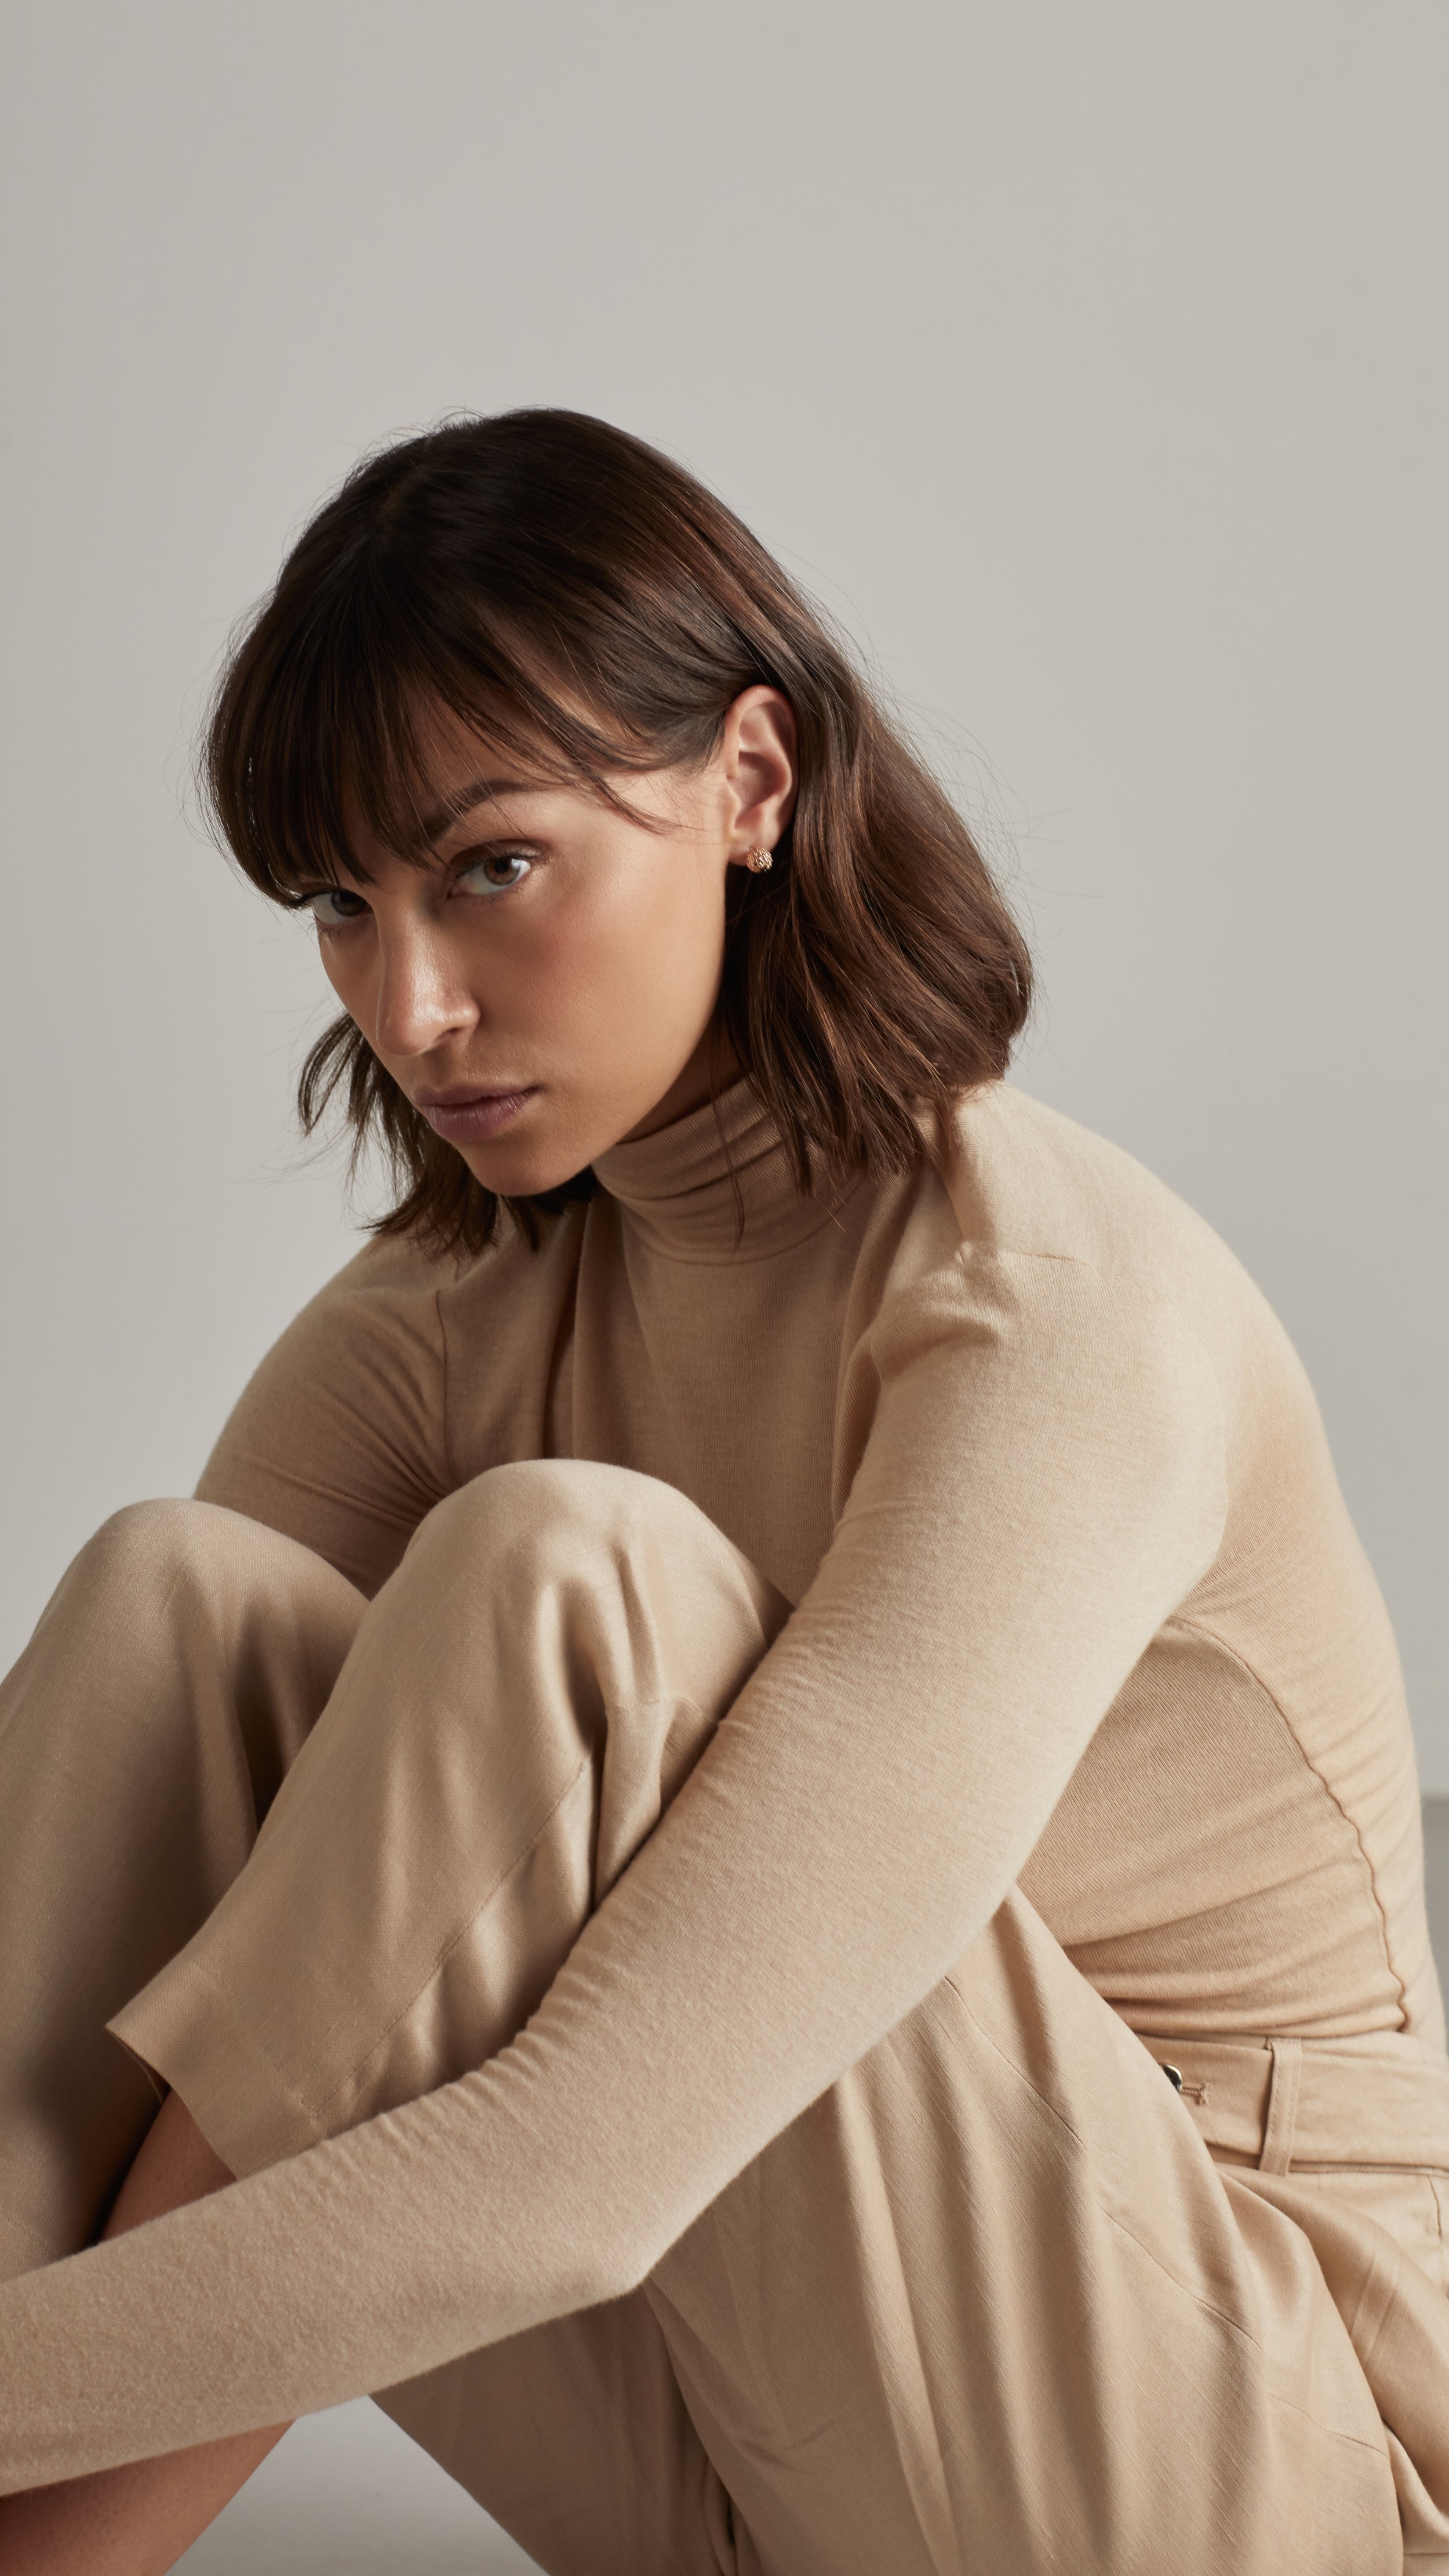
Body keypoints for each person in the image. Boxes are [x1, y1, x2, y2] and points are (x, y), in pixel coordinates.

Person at [0, 409, 1445, 2576]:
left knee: (561, 1577)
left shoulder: (1046, 1300)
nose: (407, 1003)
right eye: (336, 904)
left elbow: (582, 2165)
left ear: (748, 785)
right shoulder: (449, 1308)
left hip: (1239, 2459)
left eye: (489, 864)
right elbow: (229, 1952)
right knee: (178, 1612)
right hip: (751, 2413)